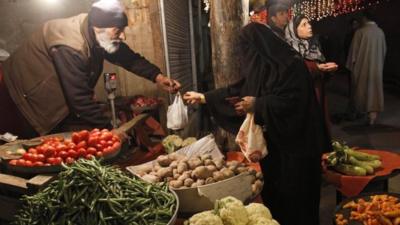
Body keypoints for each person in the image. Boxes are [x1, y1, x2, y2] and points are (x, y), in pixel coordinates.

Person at [184, 9, 330, 225]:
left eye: (247, 49)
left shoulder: (292, 65)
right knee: (277, 199)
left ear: (260, 46)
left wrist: (258, 104)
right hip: (276, 148)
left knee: (299, 201)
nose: (245, 56)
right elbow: (241, 88)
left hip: (298, 148)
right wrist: (205, 97)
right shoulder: (263, 66)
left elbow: (295, 102)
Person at [0, 0, 180, 139]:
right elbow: (79, 99)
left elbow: (126, 56)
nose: (123, 36)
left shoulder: (97, 32)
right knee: (28, 149)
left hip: (43, 96)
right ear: (98, 28)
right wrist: (109, 129)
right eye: (118, 30)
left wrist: (157, 76)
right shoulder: (71, 45)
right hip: (18, 101)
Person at [285, 14, 338, 134]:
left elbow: (321, 71)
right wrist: (316, 67)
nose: (309, 26)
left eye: (308, 23)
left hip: (317, 93)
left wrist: (328, 70)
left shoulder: (314, 47)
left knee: (318, 128)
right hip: (301, 97)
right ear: (294, 30)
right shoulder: (288, 50)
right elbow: (294, 72)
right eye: (304, 25)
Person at [346, 10, 386, 125]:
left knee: (363, 92)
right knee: (374, 92)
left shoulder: (360, 32)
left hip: (362, 67)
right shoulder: (380, 32)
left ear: (365, 18)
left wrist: (351, 67)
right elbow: (384, 50)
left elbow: (353, 53)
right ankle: (372, 116)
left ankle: (362, 114)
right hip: (376, 67)